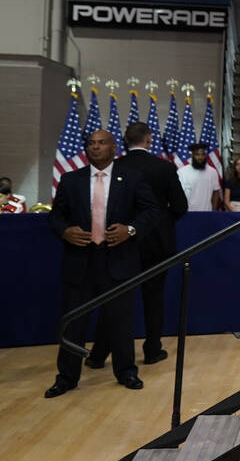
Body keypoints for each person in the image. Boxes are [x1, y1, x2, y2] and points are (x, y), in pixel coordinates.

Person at [45, 130, 159, 397]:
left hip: (118, 259)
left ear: (114, 147)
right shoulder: (70, 179)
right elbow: (55, 217)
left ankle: (126, 372)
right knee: (74, 323)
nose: (95, 147)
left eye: (101, 143)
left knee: (120, 321)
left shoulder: (131, 178)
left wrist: (130, 230)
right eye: (91, 143)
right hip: (80, 261)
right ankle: (67, 378)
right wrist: (65, 231)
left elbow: (152, 211)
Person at [87, 122, 187, 371]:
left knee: (115, 298)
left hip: (120, 241)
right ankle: (152, 350)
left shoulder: (115, 167)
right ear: (149, 139)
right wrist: (160, 224)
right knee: (154, 297)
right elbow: (180, 206)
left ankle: (98, 355)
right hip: (157, 244)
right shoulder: (163, 167)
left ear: (123, 141)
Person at [177, 142, 221, 212]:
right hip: (187, 212)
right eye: (197, 155)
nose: (200, 157)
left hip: (206, 212)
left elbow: (216, 192)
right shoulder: (182, 171)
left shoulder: (212, 172)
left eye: (202, 154)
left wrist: (214, 210)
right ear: (192, 156)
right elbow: (178, 194)